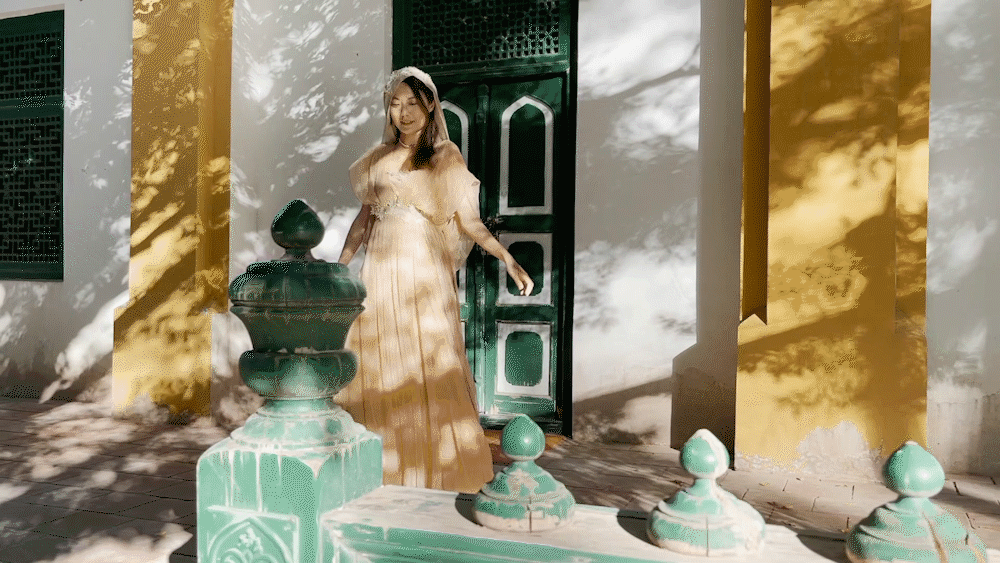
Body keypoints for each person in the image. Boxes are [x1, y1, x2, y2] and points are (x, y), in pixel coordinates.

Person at [335, 67, 534, 494]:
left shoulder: (445, 156)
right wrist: (340, 266)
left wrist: (508, 258)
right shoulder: (376, 158)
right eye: (395, 103)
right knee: (377, 362)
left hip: (423, 275)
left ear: (429, 106)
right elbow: (363, 220)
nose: (403, 112)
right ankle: (380, 468)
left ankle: (430, 470)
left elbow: (471, 222)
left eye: (412, 102)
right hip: (379, 271)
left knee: (424, 361)